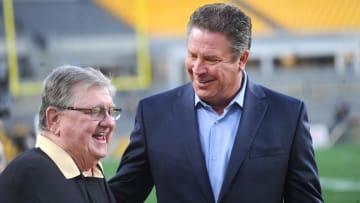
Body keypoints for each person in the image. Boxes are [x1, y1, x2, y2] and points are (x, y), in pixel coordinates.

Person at [109, 3, 323, 203]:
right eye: (193, 55)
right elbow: (122, 196)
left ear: (242, 59)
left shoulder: (288, 115)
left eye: (211, 59)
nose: (198, 69)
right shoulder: (153, 114)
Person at [0, 65, 121, 202]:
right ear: (54, 119)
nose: (109, 122)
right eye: (95, 111)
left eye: (111, 112)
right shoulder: (30, 175)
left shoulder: (90, 171)